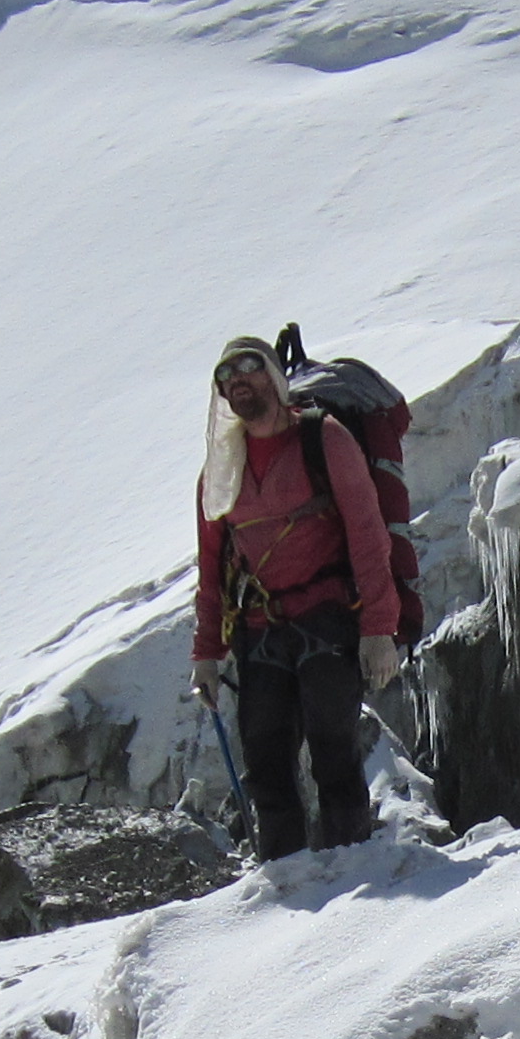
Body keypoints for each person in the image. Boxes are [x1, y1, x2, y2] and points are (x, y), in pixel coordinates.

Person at [192, 333, 402, 856]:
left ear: (274, 376)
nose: (238, 386)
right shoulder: (220, 471)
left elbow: (367, 533)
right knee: (265, 763)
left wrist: (379, 629)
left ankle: (352, 867)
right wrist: (206, 654)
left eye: (248, 372)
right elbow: (212, 564)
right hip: (259, 630)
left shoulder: (324, 439)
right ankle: (284, 885)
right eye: (227, 380)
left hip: (327, 618)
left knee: (334, 752)